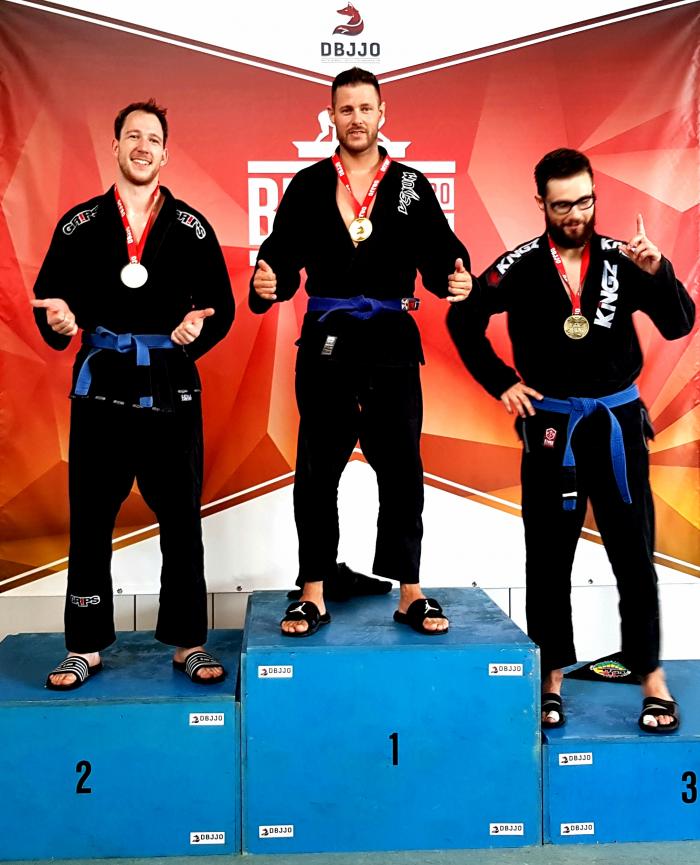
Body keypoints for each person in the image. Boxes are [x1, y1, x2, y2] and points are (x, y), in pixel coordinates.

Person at [447, 148, 694, 732]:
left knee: (634, 553)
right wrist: (502, 382)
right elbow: (463, 319)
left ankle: (651, 676)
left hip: (616, 423)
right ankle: (551, 675)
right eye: (562, 206)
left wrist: (659, 271)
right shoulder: (519, 265)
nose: (576, 214)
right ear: (541, 203)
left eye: (585, 201)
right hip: (552, 427)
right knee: (548, 556)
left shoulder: (625, 259)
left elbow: (679, 323)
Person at [249, 67, 471, 637]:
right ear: (332, 117)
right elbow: (280, 256)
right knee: (316, 470)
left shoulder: (410, 185)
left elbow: (440, 253)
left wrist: (455, 278)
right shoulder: (308, 185)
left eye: (365, 108)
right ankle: (313, 592)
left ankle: (410, 593)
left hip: (392, 342)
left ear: (381, 114)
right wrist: (268, 281)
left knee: (402, 469)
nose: (355, 119)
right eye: (345, 109)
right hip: (327, 343)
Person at [32, 99, 235, 688]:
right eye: (133, 136)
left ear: (165, 154)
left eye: (153, 139)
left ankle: (189, 641)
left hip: (171, 387)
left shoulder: (192, 227)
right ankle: (85, 645)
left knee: (182, 520)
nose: (143, 146)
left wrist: (196, 332)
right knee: (91, 519)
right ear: (115, 146)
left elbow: (220, 307)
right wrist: (60, 322)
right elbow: (50, 302)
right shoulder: (79, 224)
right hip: (102, 389)